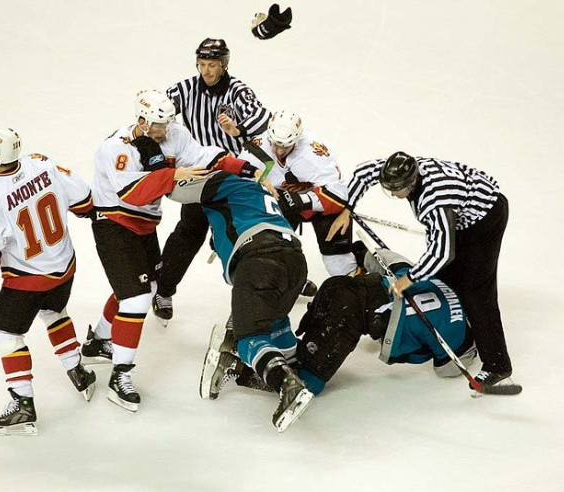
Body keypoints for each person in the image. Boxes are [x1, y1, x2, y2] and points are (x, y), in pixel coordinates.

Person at [86, 90, 259, 411]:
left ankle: (98, 340)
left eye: (167, 124)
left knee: (147, 286)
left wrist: (247, 169)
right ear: (141, 121)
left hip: (144, 226)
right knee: (137, 298)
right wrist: (173, 174)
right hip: (113, 222)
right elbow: (133, 193)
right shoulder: (115, 149)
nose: (165, 130)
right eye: (157, 125)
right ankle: (120, 376)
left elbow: (202, 156)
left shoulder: (174, 133)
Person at [126, 168, 314, 432]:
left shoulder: (223, 182)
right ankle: (265, 367)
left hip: (258, 260)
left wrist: (173, 173)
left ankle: (286, 383)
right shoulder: (259, 190)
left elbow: (172, 190)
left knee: (249, 339)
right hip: (295, 261)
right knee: (276, 328)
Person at [329, 151, 513, 387]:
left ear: (412, 181)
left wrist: (409, 279)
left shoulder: (433, 201)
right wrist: (347, 208)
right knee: (445, 276)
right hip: (460, 211)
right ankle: (462, 328)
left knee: (476, 290)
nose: (394, 195)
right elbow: (363, 173)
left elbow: (442, 252)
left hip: (486, 216)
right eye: (389, 189)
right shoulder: (397, 169)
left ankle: (498, 365)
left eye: (397, 190)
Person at [0, 128, 97, 435]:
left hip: (28, 279)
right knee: (54, 312)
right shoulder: (42, 163)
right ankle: (77, 370)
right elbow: (82, 199)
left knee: (6, 332)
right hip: (65, 267)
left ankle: (22, 403)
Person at [154, 38, 272, 324]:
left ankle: (265, 288)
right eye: (202, 65)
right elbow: (157, 109)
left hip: (231, 176)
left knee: (243, 235)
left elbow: (264, 121)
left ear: (225, 64)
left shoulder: (238, 91)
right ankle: (163, 290)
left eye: (212, 65)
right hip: (198, 174)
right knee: (189, 232)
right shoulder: (185, 89)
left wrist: (237, 128)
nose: (206, 71)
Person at [294, 247, 477, 394]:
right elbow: (447, 369)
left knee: (317, 331)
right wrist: (473, 346)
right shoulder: (459, 332)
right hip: (358, 313)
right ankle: (288, 379)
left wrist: (361, 253)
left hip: (340, 286)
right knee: (310, 379)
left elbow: (382, 257)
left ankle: (282, 352)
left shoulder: (427, 275)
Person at [240, 110, 361, 278]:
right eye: (276, 144)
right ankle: (292, 283)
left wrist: (300, 199)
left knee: (338, 266)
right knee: (272, 254)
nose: (280, 151)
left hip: (323, 207)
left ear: (296, 140)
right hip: (283, 205)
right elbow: (238, 185)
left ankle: (360, 277)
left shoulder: (312, 154)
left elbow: (338, 194)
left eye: (285, 145)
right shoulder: (256, 149)